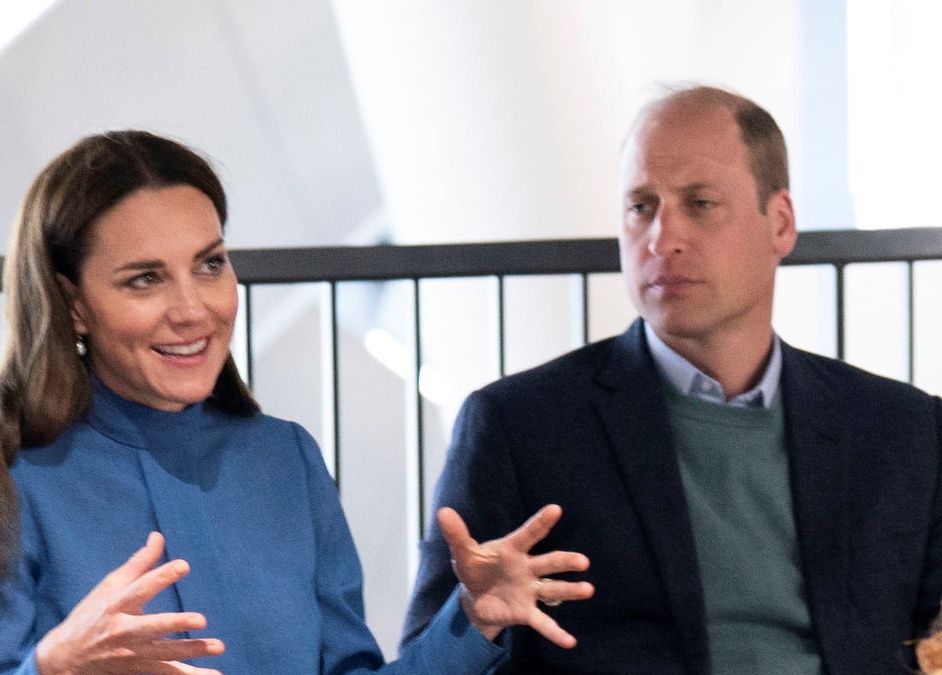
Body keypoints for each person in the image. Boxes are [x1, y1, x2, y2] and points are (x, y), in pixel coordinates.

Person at [0, 130, 595, 675]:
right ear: (72, 303)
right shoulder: (17, 470)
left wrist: (472, 618)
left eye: (209, 265)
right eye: (144, 280)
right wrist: (51, 668)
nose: (192, 310)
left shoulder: (285, 459)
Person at [402, 85, 942, 674]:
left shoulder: (901, 429)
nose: (663, 238)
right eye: (641, 207)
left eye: (701, 203)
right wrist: (474, 620)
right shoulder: (521, 425)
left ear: (780, 224)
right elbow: (424, 658)